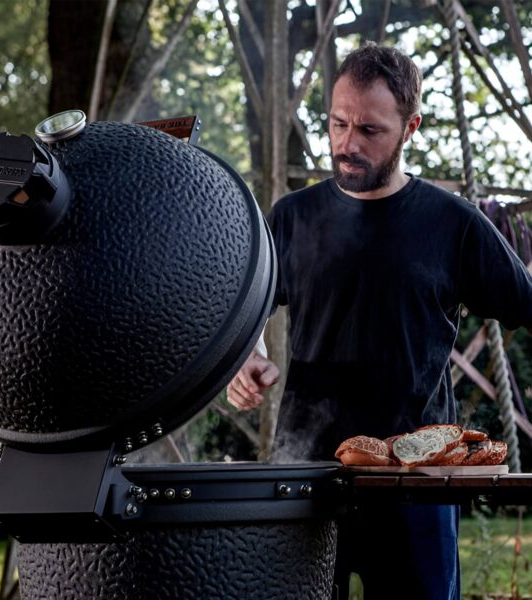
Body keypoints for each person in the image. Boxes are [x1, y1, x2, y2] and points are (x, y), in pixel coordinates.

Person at [226, 42, 532, 600]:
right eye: (337, 123)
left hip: (415, 485)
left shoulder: (454, 225)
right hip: (307, 475)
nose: (346, 144)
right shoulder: (292, 218)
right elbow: (239, 316)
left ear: (410, 126)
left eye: (370, 130)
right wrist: (247, 359)